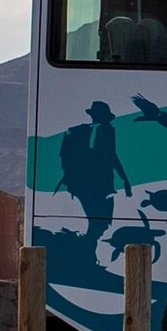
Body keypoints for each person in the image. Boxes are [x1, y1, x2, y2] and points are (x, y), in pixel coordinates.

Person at [61, 101, 132, 240]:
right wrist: (124, 179)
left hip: (81, 184)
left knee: (96, 222)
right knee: (102, 223)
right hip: (101, 184)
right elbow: (112, 155)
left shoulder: (78, 132)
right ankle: (88, 250)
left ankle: (88, 249)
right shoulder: (107, 130)